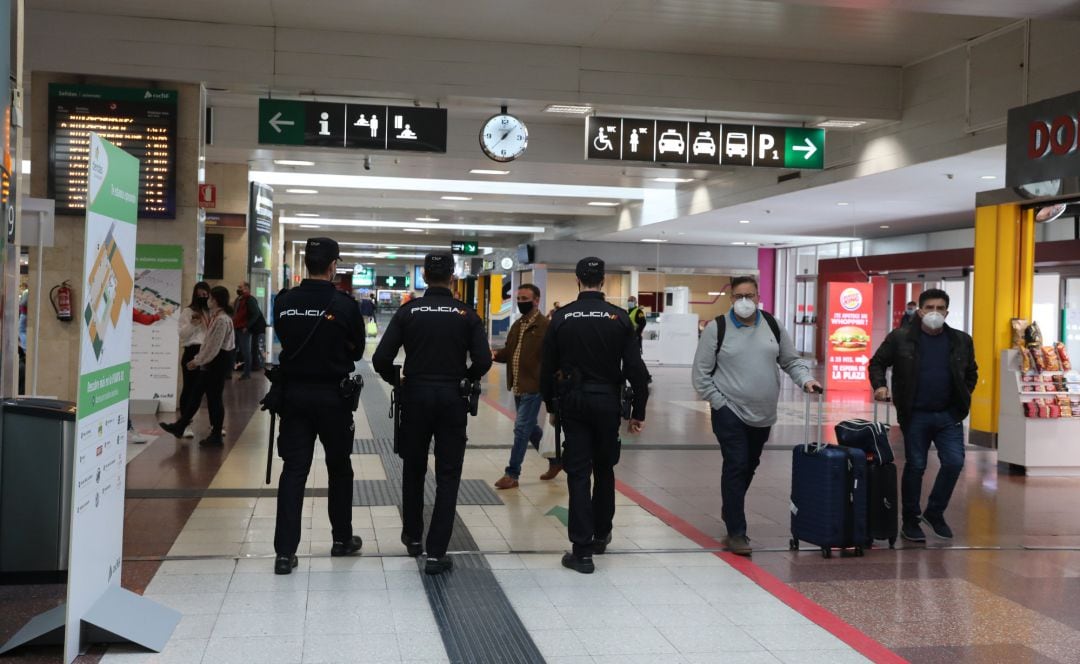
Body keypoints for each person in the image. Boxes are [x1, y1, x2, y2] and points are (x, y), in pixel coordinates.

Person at [372, 253, 491, 576]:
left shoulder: (408, 312)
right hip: (452, 396)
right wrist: (467, 376)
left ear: (425, 275)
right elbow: (483, 359)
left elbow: (382, 358)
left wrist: (396, 379)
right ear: (452, 276)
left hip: (415, 396)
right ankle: (437, 552)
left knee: (414, 467)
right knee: (448, 474)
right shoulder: (466, 315)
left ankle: (413, 536)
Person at [691, 276, 821, 556]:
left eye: (750, 295)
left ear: (759, 296)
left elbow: (790, 360)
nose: (745, 301)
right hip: (729, 411)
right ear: (731, 298)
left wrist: (806, 380)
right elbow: (701, 375)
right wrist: (719, 404)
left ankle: (730, 506)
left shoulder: (772, 325)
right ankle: (737, 531)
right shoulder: (718, 328)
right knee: (737, 464)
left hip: (763, 413)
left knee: (749, 465)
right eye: (739, 296)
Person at [541, 257, 649, 574]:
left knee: (577, 472)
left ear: (578, 281)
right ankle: (601, 535)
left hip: (573, 403)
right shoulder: (619, 319)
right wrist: (638, 410)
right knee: (604, 469)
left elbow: (547, 369)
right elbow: (636, 371)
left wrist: (550, 406)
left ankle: (581, 550)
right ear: (602, 282)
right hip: (607, 403)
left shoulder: (562, 317)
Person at [272, 237, 366, 575]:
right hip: (333, 399)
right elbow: (356, 352)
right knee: (339, 467)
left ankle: (284, 553)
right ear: (332, 265)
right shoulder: (344, 305)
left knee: (294, 471)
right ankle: (341, 539)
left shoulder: (284, 302)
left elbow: (284, 337)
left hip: (293, 397)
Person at [869, 288, 977, 543]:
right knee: (916, 465)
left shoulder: (961, 340)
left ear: (947, 312)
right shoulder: (901, 337)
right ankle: (910, 520)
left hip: (949, 415)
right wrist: (880, 386)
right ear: (919, 311)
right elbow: (877, 362)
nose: (935, 313)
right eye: (929, 308)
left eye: (940, 308)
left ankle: (935, 512)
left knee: (953, 462)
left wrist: (963, 395)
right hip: (915, 414)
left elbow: (971, 372)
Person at [492, 283, 560, 489]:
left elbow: (554, 357)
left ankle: (512, 474)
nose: (521, 302)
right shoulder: (518, 324)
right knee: (530, 429)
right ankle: (557, 461)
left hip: (535, 385)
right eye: (518, 299)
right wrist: (494, 354)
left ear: (536, 300)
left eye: (525, 299)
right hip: (518, 384)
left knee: (521, 428)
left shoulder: (546, 326)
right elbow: (510, 351)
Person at [161, 286, 235, 448]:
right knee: (195, 393)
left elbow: (213, 346)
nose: (206, 299)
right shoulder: (214, 316)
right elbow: (205, 342)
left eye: (208, 296)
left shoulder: (221, 319)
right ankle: (181, 425)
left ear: (215, 300)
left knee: (214, 397)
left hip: (215, 361)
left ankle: (215, 433)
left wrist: (197, 361)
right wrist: (198, 359)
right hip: (207, 359)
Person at [176, 281, 211, 439]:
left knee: (211, 390)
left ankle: (215, 423)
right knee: (189, 389)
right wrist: (193, 324)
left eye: (205, 294)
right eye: (200, 294)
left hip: (208, 352)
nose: (203, 297)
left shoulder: (211, 312)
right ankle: (185, 424)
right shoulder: (187, 312)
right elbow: (182, 335)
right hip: (191, 350)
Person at [232, 281, 265, 379]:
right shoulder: (239, 299)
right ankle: (229, 372)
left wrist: (247, 326)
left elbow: (256, 314)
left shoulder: (250, 299)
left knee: (246, 351)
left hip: (243, 329)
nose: (238, 289)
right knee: (232, 350)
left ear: (246, 288)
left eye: (240, 287)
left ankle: (247, 374)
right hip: (236, 327)